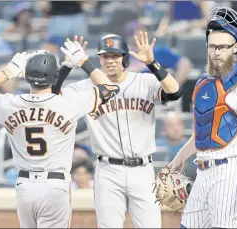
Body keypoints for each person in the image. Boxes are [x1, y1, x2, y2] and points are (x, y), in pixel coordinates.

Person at [0, 41, 120, 227]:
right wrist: (83, 61)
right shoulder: (68, 103)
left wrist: (6, 73)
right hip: (54, 186)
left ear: (27, 76)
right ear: (54, 77)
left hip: (24, 186)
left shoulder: (10, 104)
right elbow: (111, 89)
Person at [54, 32, 182, 227]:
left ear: (125, 58)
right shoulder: (86, 87)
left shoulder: (143, 81)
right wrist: (64, 68)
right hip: (108, 170)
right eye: (105, 56)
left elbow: (175, 92)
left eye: (115, 56)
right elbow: (52, 101)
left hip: (143, 169)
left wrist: (152, 63)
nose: (110, 61)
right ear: (100, 59)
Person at [168, 7, 237, 228]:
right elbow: (202, 131)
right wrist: (178, 159)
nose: (216, 52)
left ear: (235, 47)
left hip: (231, 171)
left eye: (223, 47)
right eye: (213, 46)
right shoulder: (204, 81)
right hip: (203, 170)